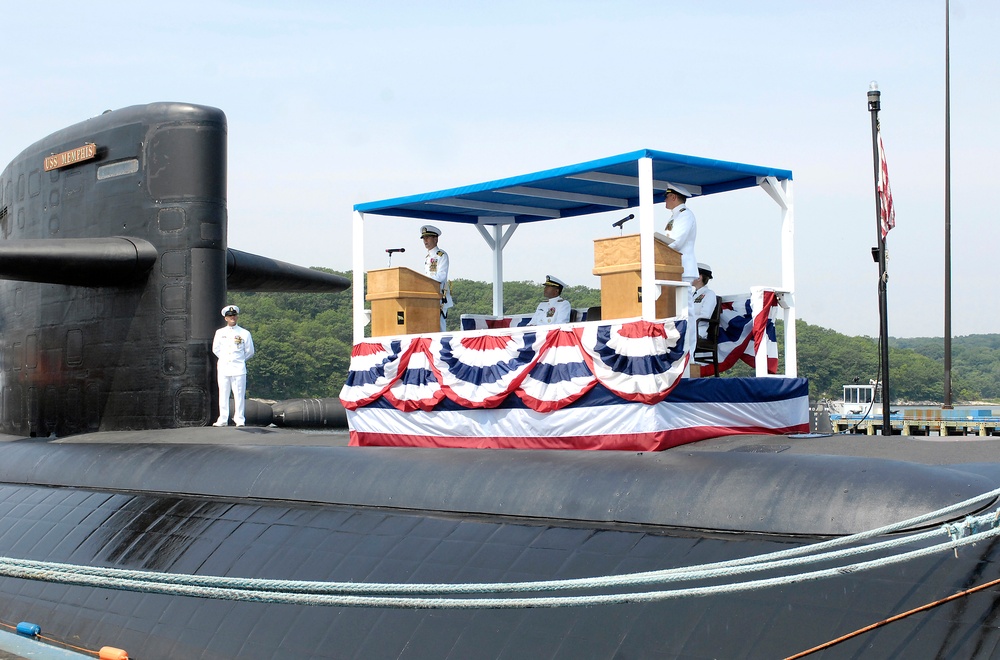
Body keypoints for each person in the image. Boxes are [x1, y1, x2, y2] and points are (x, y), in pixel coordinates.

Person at [212, 305, 255, 427]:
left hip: (238, 369)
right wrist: (227, 359)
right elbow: (216, 349)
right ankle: (223, 419)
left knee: (239, 395)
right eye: (230, 316)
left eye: (234, 315)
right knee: (223, 394)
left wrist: (239, 360)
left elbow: (250, 351)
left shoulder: (244, 333)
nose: (233, 318)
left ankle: (240, 419)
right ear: (226, 318)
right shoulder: (220, 333)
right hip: (224, 368)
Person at [663, 183, 698, 284]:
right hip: (676, 268)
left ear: (673, 197)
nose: (665, 200)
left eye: (666, 196)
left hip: (684, 268)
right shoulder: (676, 215)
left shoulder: (685, 215)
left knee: (685, 300)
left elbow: (676, 242)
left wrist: (658, 248)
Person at [421, 225, 452, 332]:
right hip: (428, 296)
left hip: (438, 297)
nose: (425, 240)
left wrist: (425, 280)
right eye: (424, 238)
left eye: (428, 237)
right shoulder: (427, 258)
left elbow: (441, 276)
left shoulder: (441, 255)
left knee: (440, 328)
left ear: (435, 239)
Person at [691, 263, 718, 339]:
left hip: (697, 331)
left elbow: (705, 316)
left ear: (699, 277)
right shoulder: (691, 294)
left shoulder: (709, 294)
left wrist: (687, 321)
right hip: (687, 329)